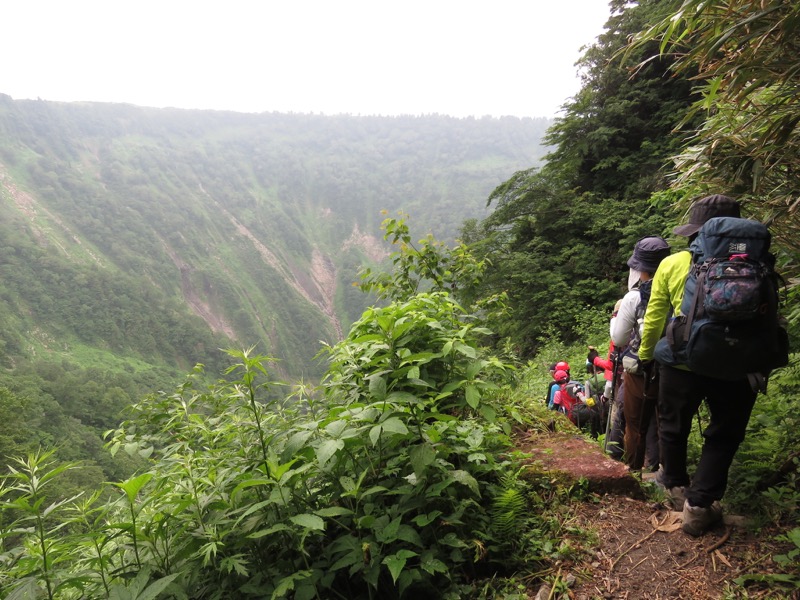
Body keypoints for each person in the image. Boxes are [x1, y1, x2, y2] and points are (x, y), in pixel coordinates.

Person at [638, 194, 752, 536]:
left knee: (673, 425)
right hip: (738, 364)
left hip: (682, 362)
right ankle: (700, 506)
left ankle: (673, 484)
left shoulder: (673, 265)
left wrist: (646, 355)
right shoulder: (757, 263)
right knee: (724, 433)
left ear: (694, 231)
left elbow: (656, 316)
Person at [612, 236, 671, 471]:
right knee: (669, 424)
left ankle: (634, 474)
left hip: (641, 370)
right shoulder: (681, 288)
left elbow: (619, 339)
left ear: (640, 269)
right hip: (674, 367)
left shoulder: (633, 297)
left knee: (635, 425)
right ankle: (669, 478)